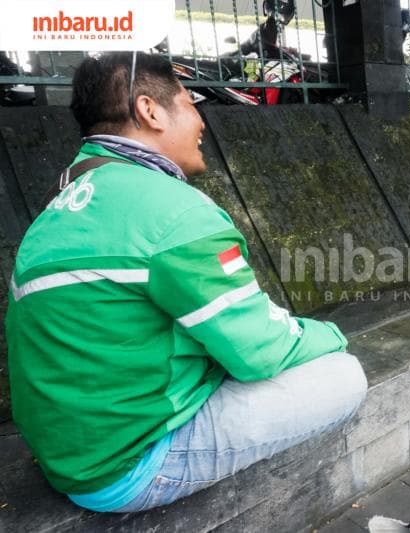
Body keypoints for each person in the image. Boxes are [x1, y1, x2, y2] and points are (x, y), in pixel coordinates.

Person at [5, 52, 367, 513]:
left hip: (69, 453)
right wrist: (332, 334)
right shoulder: (172, 211)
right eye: (189, 101)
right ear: (149, 111)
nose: (201, 121)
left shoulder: (57, 206)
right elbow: (264, 350)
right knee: (343, 372)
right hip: (127, 464)